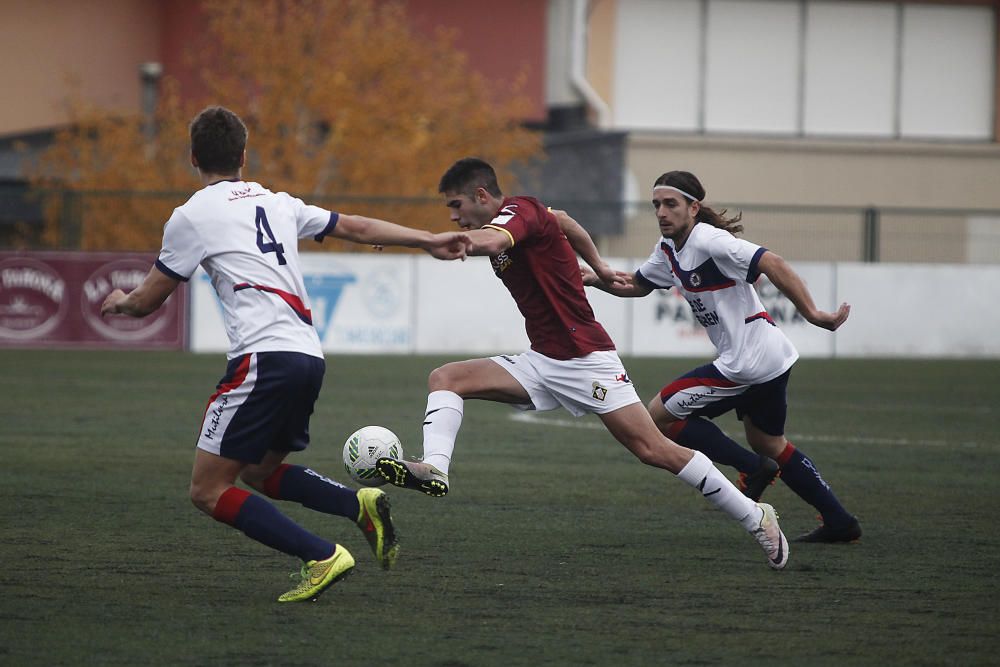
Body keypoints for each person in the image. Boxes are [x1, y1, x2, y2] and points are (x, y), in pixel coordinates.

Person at [101, 106, 471, 602]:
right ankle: (357, 506)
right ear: (244, 156)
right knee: (256, 471)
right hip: (307, 359)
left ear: (193, 158)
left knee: (207, 490)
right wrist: (427, 238)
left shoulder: (190, 216)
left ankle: (321, 556)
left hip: (261, 361)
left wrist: (120, 303)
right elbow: (356, 227)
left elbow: (148, 300)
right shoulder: (278, 202)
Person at [376, 156, 790, 570]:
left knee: (654, 450)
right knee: (446, 378)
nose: (453, 216)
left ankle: (755, 517)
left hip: (587, 359)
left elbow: (495, 242)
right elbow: (567, 223)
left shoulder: (518, 212)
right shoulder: (535, 216)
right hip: (542, 360)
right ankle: (435, 469)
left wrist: (436, 240)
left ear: (482, 196)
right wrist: (601, 269)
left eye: (456, 206)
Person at [581, 170, 861, 543]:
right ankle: (840, 522)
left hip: (747, 362)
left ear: (694, 207)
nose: (662, 212)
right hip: (772, 358)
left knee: (660, 415)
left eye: (671, 204)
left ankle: (752, 468)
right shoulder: (668, 250)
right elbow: (636, 284)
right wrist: (593, 277)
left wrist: (813, 314)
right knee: (770, 443)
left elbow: (772, 262)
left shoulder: (710, 241)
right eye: (656, 205)